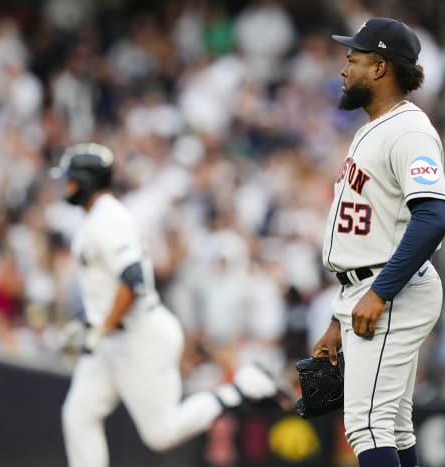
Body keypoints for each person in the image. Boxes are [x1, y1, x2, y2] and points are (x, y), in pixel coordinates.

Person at [53, 143, 287, 467]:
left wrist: (100, 328)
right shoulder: (96, 218)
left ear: (87, 180)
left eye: (71, 178)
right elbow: (106, 288)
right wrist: (91, 323)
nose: (65, 185)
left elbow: (132, 280)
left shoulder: (108, 218)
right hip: (113, 338)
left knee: (160, 434)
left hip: (139, 336)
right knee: (78, 414)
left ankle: (240, 389)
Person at [311, 18, 445, 467]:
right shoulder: (375, 127)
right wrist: (340, 318)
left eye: (354, 59)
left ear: (381, 68)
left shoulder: (409, 130)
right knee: (391, 424)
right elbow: (370, 236)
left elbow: (433, 217)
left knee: (366, 424)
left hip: (392, 290)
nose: (344, 67)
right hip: (370, 289)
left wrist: (378, 292)